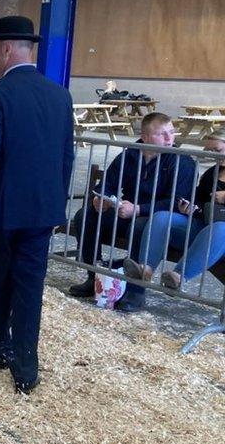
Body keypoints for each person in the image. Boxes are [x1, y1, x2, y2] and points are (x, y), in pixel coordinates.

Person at [0, 16, 74, 395]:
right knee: (29, 286)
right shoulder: (60, 94)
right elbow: (66, 158)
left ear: (7, 48)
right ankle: (26, 368)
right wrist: (57, 206)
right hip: (42, 210)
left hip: (1, 210)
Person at [67, 112, 196, 312]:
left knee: (140, 226)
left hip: (156, 219)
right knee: (86, 215)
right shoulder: (130, 154)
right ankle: (94, 277)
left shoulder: (182, 161)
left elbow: (177, 202)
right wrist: (101, 198)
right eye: (162, 134)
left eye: (172, 132)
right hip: (125, 211)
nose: (170, 139)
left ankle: (136, 290)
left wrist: (138, 209)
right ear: (144, 137)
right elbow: (107, 183)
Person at [122, 129, 225, 290]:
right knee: (162, 216)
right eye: (210, 151)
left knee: (220, 229)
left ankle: (179, 276)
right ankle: (145, 269)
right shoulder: (213, 172)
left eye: (217, 151)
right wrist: (190, 207)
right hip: (203, 225)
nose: (213, 156)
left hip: (220, 233)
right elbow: (200, 200)